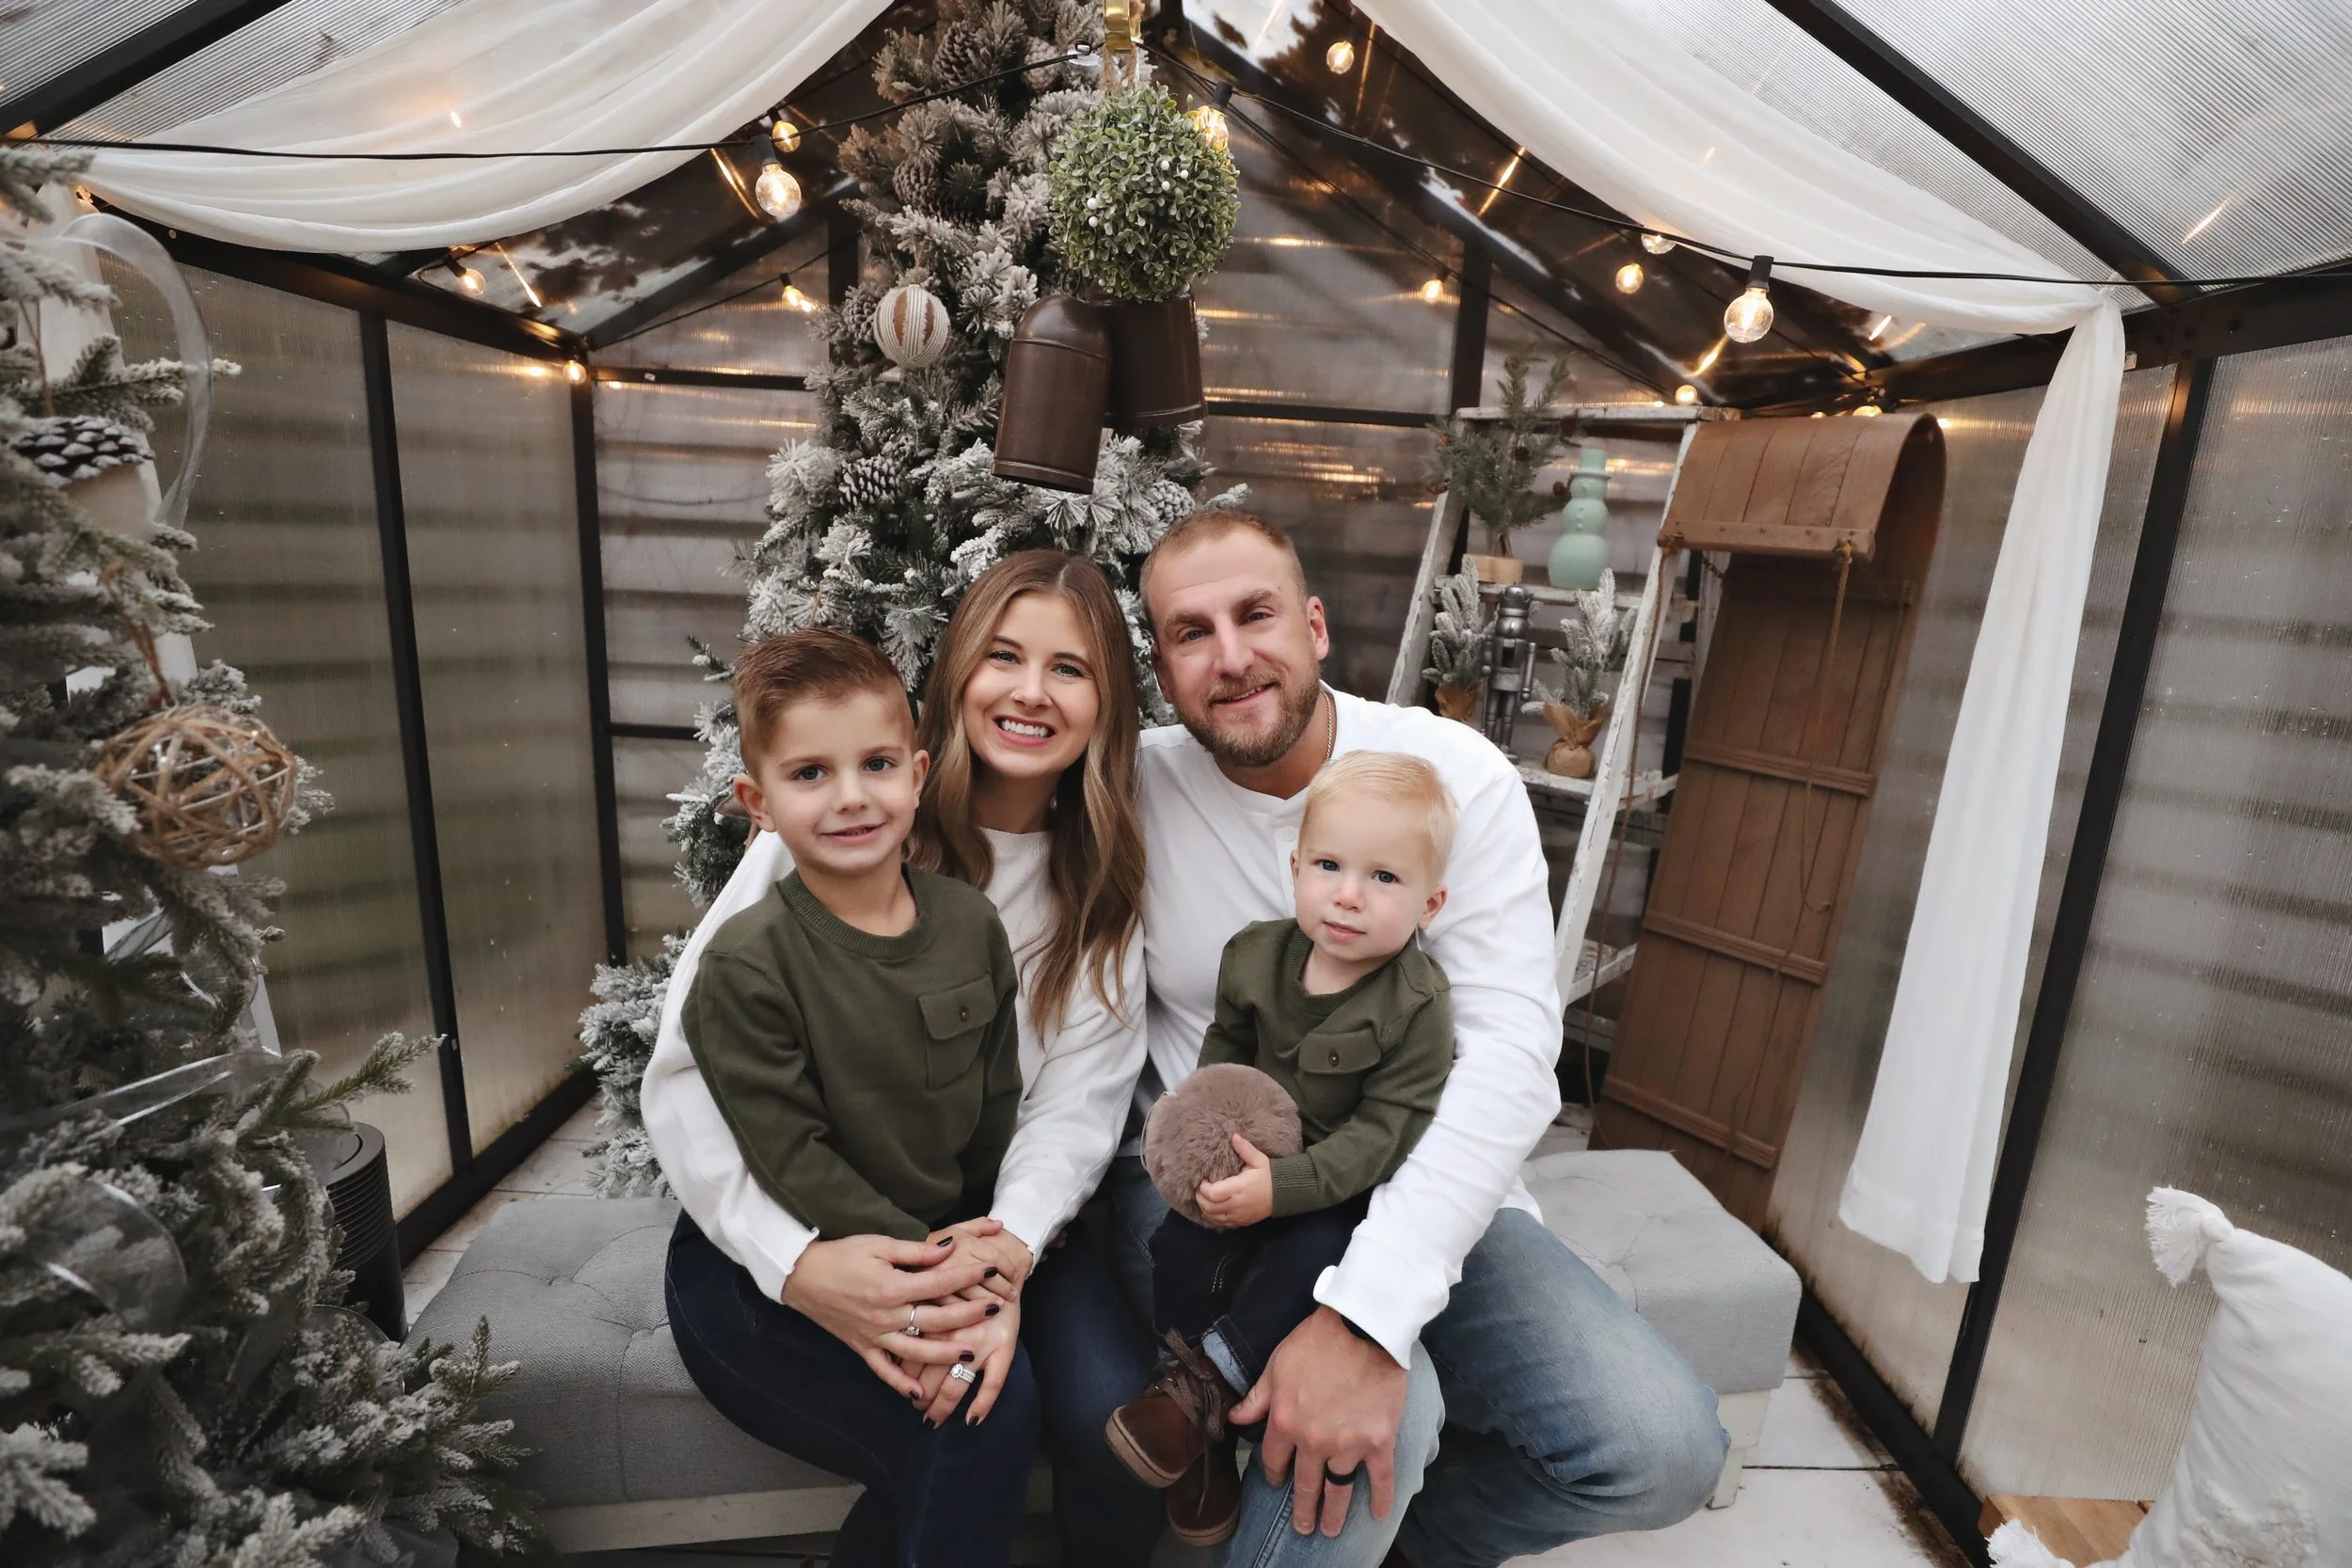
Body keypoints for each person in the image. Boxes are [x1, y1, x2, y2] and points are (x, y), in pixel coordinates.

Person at [1104, 509, 1729, 1567]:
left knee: (1662, 1446)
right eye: (1190, 631)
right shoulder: (1129, 788)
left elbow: (1505, 1056)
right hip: (1209, 1186)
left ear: (1313, 625)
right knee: (1396, 1421)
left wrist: (1368, 1311)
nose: (1232, 655)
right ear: (1161, 666)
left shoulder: (1450, 774)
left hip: (1412, 1165)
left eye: (1255, 614)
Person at [645, 552, 1163, 1565]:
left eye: (1069, 666)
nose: (1028, 689)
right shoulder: (846, 825)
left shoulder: (1097, 892)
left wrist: (998, 1260)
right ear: (958, 672)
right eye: (1003, 655)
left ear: (1105, 702)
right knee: (969, 1410)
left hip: (985, 1229)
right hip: (783, 1229)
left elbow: (1074, 1107)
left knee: (1112, 1422)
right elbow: (690, 1076)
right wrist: (800, 1266)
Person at [664, 626, 1036, 1566]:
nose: (851, 797)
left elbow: (996, 1094)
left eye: (875, 763)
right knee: (971, 1420)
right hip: (791, 1263)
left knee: (989, 1402)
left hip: (938, 1243)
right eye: (810, 774)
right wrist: (935, 1281)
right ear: (758, 801)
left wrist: (984, 1243)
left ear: (917, 773)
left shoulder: (967, 923)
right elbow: (791, 1157)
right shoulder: (748, 965)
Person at [1109, 751, 1460, 1548]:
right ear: (1295, 864)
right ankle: (1194, 1426)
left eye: (1384, 878)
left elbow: (1382, 1135)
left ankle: (1207, 1384)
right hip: (1244, 1164)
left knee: (1302, 1265)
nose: (1347, 893)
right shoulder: (1254, 956)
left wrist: (1287, 1187)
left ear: (1430, 902)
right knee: (1178, 1246)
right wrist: (1207, 1158)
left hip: (1334, 1193)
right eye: (1330, 865)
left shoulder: (1416, 1004)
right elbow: (1220, 1062)